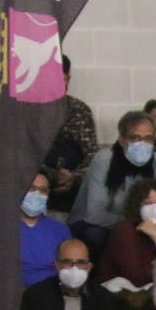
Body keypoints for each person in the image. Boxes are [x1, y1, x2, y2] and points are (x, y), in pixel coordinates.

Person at [68, 110, 156, 255]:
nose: (142, 143)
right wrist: (136, 223)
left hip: (142, 225)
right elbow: (94, 215)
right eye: (135, 138)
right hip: (94, 226)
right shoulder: (104, 160)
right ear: (122, 140)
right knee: (96, 236)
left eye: (148, 138)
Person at [96, 178, 156, 294]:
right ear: (137, 206)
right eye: (147, 203)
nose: (154, 208)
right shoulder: (124, 231)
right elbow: (136, 278)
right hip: (124, 297)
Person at [43, 54, 100, 214]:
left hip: (77, 189)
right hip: (39, 186)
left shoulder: (80, 110)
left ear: (66, 78)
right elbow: (26, 154)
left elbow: (92, 155)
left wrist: (73, 177)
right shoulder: (31, 113)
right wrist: (52, 174)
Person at [18, 170, 72, 287]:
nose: (37, 194)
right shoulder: (3, 228)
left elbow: (69, 267)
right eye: (31, 188)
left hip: (51, 292)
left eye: (43, 190)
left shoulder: (60, 230)